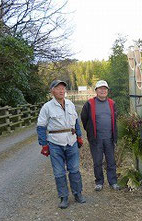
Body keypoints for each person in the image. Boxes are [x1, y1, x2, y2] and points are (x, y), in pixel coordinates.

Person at [37, 80, 86, 209]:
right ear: (52, 91)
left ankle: (78, 194)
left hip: (71, 141)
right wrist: (44, 144)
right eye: (58, 88)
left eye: (63, 88)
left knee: (74, 170)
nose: (61, 91)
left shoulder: (70, 104)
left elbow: (75, 122)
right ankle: (63, 197)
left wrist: (79, 137)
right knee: (59, 172)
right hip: (55, 143)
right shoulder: (47, 107)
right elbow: (41, 126)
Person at [81, 80, 119, 191]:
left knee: (111, 161)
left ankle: (113, 182)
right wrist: (90, 132)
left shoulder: (112, 103)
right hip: (96, 139)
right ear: (96, 91)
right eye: (100, 88)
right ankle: (99, 182)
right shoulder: (89, 103)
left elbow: (115, 119)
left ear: (107, 91)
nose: (103, 90)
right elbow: (84, 119)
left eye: (105, 89)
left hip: (109, 138)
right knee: (97, 162)